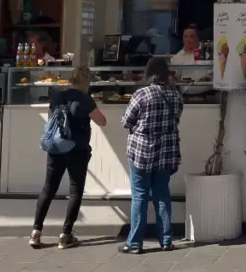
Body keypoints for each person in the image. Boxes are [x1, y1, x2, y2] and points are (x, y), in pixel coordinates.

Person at [30, 66, 107, 249]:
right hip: (77, 150)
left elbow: (50, 120)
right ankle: (65, 235)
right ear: (87, 81)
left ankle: (36, 231)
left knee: (48, 188)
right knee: (75, 190)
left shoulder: (57, 95)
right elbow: (102, 121)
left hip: (56, 148)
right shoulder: (85, 99)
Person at [120, 57, 185, 254]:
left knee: (140, 195)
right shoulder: (176, 94)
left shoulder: (141, 94)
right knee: (162, 194)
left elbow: (126, 121)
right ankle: (166, 239)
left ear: (148, 73)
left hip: (142, 152)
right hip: (166, 152)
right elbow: (177, 118)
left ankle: (135, 243)